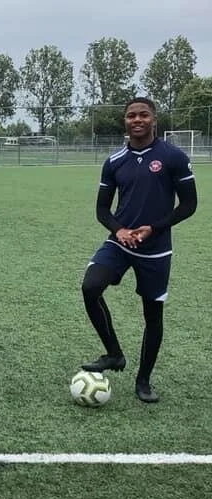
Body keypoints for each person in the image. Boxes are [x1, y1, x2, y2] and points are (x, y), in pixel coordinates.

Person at [79, 96, 197, 403]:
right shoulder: (115, 161)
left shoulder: (173, 157)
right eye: (131, 115)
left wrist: (154, 228)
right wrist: (118, 230)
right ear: (125, 121)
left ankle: (143, 380)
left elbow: (189, 204)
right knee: (90, 287)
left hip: (156, 249)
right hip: (120, 242)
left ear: (154, 119)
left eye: (143, 114)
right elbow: (102, 210)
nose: (137, 120)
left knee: (152, 316)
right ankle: (115, 354)